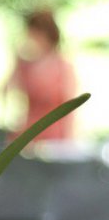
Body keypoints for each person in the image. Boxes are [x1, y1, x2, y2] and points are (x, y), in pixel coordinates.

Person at [9, 10, 76, 141]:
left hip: (54, 136)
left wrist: (69, 139)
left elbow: (69, 106)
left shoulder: (62, 67)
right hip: (28, 134)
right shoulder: (26, 65)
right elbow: (6, 90)